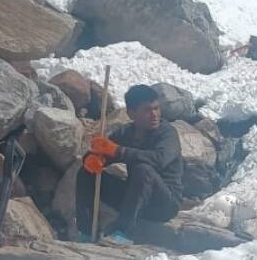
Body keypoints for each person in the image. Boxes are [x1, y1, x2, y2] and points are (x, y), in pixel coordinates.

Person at [77, 85, 184, 245]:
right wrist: (92, 158)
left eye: (156, 108)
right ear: (131, 113)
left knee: (144, 169)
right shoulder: (126, 133)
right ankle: (86, 231)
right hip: (135, 198)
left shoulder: (167, 133)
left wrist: (117, 151)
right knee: (86, 172)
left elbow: (159, 159)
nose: (154, 114)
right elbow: (106, 151)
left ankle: (124, 233)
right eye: (147, 110)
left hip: (163, 204)